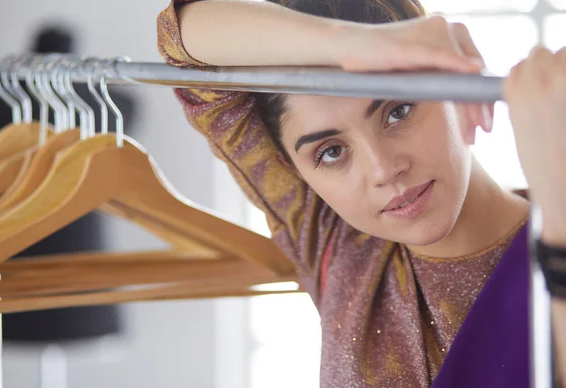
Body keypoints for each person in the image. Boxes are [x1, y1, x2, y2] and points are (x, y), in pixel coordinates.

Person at [156, 0, 566, 386]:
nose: (384, 170)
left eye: (398, 110)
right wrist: (353, 43)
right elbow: (180, 37)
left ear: (451, 82)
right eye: (331, 152)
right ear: (292, 169)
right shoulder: (334, 242)